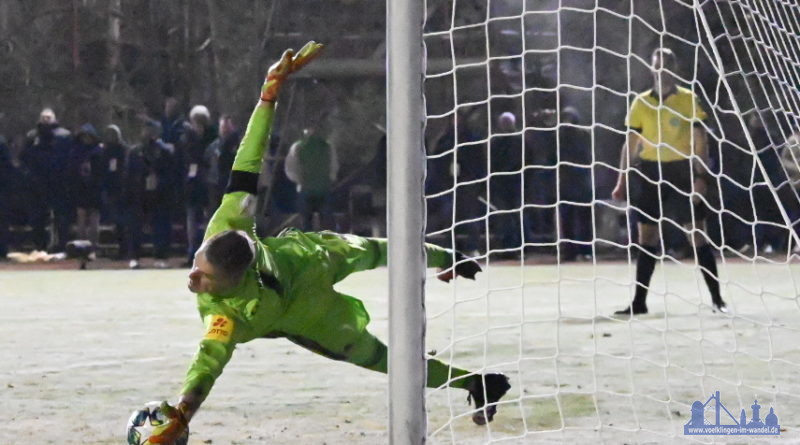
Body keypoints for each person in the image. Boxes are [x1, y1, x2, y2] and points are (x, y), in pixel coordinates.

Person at [144, 42, 511, 444]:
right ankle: (477, 380)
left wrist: (182, 413)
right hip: (309, 258)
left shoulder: (229, 316)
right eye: (198, 264)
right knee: (376, 268)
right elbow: (249, 156)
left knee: (380, 340)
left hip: (308, 310)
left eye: (207, 278)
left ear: (232, 283)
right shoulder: (228, 221)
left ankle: (461, 319)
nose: (194, 278)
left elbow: (206, 366)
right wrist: (268, 93)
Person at [611, 48, 728, 315]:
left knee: (697, 234)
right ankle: (639, 302)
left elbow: (701, 140)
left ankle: (717, 300)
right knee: (647, 237)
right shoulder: (641, 102)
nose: (661, 69)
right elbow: (630, 145)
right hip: (651, 173)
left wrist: (701, 176)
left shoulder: (688, 99)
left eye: (666, 64)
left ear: (674, 69)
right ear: (651, 68)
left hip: (682, 172)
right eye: (657, 64)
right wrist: (621, 180)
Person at [124, 120, 176, 269]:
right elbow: (128, 175)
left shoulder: (165, 151)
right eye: (146, 130)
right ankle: (134, 257)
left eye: (151, 130)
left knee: (161, 226)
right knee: (135, 227)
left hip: (159, 195)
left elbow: (172, 174)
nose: (148, 133)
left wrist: (160, 182)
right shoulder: (134, 152)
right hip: (139, 195)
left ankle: (161, 256)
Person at [20, 108, 73, 252]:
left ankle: (62, 245)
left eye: (48, 117)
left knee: (61, 215)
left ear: (54, 119)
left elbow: (70, 158)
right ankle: (40, 245)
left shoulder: (64, 136)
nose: (45, 120)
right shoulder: (32, 136)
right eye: (43, 117)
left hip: (59, 182)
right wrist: (28, 175)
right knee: (38, 216)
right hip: (37, 182)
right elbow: (24, 157)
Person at [178, 104, 218, 266]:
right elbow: (183, 162)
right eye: (196, 121)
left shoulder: (214, 139)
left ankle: (210, 253)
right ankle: (192, 253)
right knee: (192, 220)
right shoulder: (187, 139)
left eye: (201, 121)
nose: (198, 124)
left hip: (210, 184)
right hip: (192, 185)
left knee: (210, 219)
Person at [284, 126, 338, 231]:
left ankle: (311, 243)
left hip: (308, 189)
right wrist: (329, 179)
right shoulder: (327, 146)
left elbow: (290, 168)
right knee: (325, 223)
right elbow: (334, 166)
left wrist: (299, 180)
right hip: (322, 188)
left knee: (307, 223)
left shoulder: (298, 146)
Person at [68, 123, 104, 247]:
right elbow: (72, 171)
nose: (86, 139)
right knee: (81, 219)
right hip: (81, 189)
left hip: (94, 189)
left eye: (89, 136)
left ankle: (93, 245)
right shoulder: (76, 152)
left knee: (94, 219)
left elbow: (101, 172)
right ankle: (81, 246)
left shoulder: (98, 151)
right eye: (84, 136)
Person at [100, 125, 129, 257]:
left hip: (123, 189)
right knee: (116, 221)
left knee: (123, 220)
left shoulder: (124, 150)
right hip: (111, 189)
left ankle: (126, 248)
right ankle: (121, 247)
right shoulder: (105, 151)